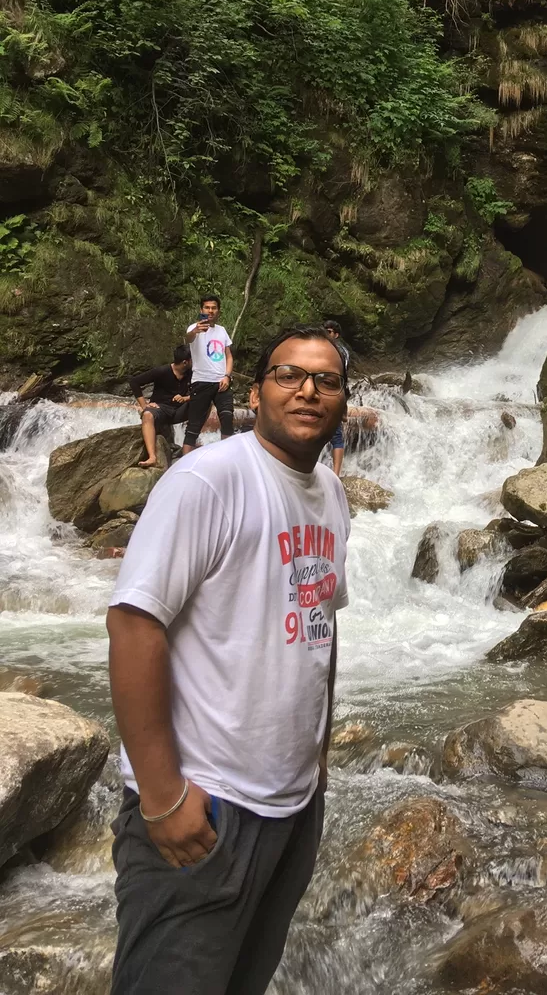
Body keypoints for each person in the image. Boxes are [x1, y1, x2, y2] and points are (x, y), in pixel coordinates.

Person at [106, 325, 350, 995]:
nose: (308, 390)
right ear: (256, 391)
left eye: (327, 380)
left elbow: (323, 621)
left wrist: (319, 754)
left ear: (343, 403)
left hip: (292, 804)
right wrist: (161, 797)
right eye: (289, 374)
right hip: (206, 804)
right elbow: (132, 624)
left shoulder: (330, 492)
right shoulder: (207, 480)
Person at [182, 295, 234, 455]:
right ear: (201, 310)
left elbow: (229, 356)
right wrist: (196, 330)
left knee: (227, 417)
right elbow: (187, 338)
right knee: (194, 425)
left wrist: (227, 375)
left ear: (218, 311)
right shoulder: (193, 328)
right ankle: (184, 462)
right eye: (207, 308)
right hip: (201, 382)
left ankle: (227, 457)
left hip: (221, 382)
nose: (210, 311)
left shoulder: (222, 331)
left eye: (213, 308)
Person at [129, 346, 192, 468]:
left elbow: (200, 392)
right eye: (192, 360)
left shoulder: (192, 373)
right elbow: (134, 382)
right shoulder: (162, 371)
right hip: (161, 409)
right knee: (147, 415)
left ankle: (190, 443)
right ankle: (152, 457)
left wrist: (186, 398)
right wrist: (145, 406)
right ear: (185, 362)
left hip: (180, 410)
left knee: (205, 402)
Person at [323, 320, 350, 477]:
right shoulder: (320, 348)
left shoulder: (341, 352)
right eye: (325, 329)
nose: (327, 332)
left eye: (330, 331)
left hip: (334, 392)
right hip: (319, 391)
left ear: (337, 334)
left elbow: (342, 375)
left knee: (336, 433)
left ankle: (336, 473)